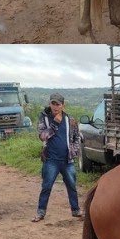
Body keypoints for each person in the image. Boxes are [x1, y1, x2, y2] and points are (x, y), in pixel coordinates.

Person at [33, 92, 81, 222]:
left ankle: (76, 210)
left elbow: (77, 137)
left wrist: (74, 150)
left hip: (67, 160)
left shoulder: (70, 120)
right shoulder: (45, 118)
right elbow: (42, 136)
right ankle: (40, 212)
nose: (55, 106)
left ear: (63, 106)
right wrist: (54, 124)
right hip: (51, 160)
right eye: (53, 103)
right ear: (50, 104)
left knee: (72, 186)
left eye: (57, 104)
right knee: (47, 186)